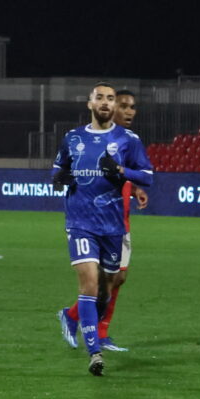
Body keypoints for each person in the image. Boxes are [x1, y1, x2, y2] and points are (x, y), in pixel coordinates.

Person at [51, 82, 153, 375]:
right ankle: (95, 348)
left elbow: (145, 175)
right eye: (103, 99)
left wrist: (127, 180)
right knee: (90, 284)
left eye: (113, 100)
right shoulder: (73, 138)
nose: (109, 104)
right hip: (81, 223)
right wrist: (61, 178)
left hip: (114, 224)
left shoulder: (127, 140)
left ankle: (74, 318)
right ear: (90, 103)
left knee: (112, 283)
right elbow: (58, 171)